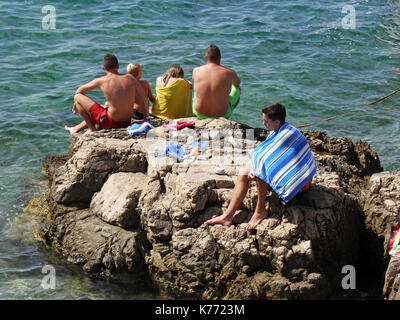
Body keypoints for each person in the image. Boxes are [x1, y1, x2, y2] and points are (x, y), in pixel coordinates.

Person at [205, 102, 316, 229]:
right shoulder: (277, 130)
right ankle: (227, 216)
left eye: (266, 121)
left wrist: (256, 169)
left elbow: (266, 160)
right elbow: (264, 154)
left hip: (300, 184)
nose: (263, 124)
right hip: (287, 176)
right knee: (244, 172)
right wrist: (253, 168)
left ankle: (260, 211)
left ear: (277, 121)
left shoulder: (287, 134)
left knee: (261, 173)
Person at [64, 54, 147, 134]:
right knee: (104, 107)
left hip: (110, 122)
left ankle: (92, 129)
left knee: (77, 97)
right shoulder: (131, 78)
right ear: (118, 66)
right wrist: (146, 119)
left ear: (103, 68)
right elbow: (144, 99)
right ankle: (75, 128)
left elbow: (79, 91)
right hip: (126, 122)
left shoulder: (101, 80)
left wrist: (76, 104)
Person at [192, 44, 241, 119]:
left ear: (206, 58)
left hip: (200, 114)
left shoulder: (196, 70)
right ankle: (228, 112)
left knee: (197, 90)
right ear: (220, 58)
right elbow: (237, 82)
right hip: (223, 115)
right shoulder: (229, 73)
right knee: (237, 88)